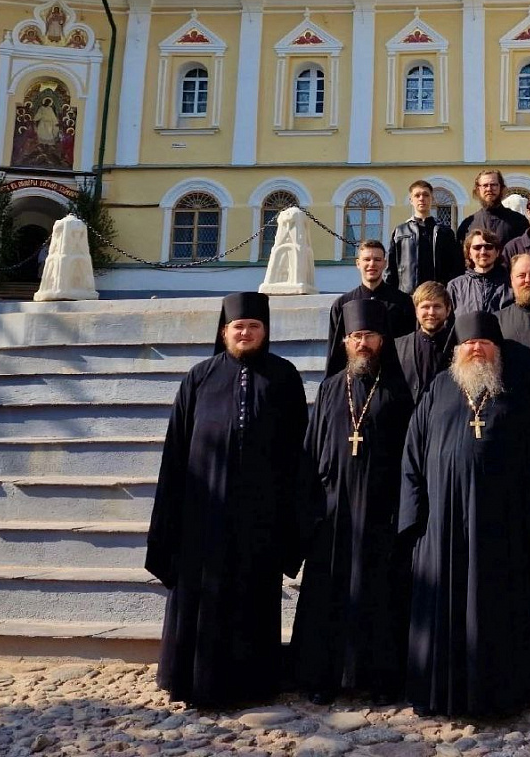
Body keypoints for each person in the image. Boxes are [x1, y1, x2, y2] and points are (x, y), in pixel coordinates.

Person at [147, 292, 308, 707]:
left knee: (255, 595)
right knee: (201, 595)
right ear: (224, 331)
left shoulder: (285, 377)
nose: (246, 333)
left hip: (261, 514)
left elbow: (299, 450)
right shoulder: (199, 377)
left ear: (265, 332)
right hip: (203, 512)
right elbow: (176, 450)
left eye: (254, 327)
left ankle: (254, 684)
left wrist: (293, 515)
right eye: (239, 327)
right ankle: (192, 681)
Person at [399, 311, 530, 716]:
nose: (477, 348)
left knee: (497, 601)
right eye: (469, 343)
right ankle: (440, 691)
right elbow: (412, 454)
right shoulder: (437, 389)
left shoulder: (513, 394)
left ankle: (500, 692)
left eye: (485, 343)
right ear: (458, 350)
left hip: (499, 523)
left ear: (496, 350)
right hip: (443, 524)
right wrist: (414, 517)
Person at [292, 301, 415, 704]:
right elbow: (311, 450)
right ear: (345, 341)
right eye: (356, 336)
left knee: (378, 592)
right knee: (328, 592)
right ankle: (321, 678)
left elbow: (409, 455)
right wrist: (310, 508)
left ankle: (377, 679)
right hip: (333, 510)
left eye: (370, 336)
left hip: (380, 509)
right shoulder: (330, 388)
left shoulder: (398, 392)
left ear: (383, 341)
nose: (363, 343)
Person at [326, 241, 415, 376]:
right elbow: (335, 352)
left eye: (377, 260)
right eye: (367, 259)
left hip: (393, 378)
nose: (372, 264)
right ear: (358, 263)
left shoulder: (403, 302)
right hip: (355, 379)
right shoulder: (342, 305)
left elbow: (409, 347)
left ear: (384, 264)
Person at [385, 180, 461, 294]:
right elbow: (391, 267)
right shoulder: (400, 231)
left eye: (426, 195)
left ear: (432, 199)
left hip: (438, 295)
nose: (421, 198)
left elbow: (455, 267)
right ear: (411, 200)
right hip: (408, 295)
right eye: (417, 195)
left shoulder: (445, 232)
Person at [395, 281, 455, 404]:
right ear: (416, 311)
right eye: (425, 307)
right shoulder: (398, 346)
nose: (431, 313)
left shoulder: (458, 345)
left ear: (448, 310)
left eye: (437, 306)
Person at [456, 168, 528, 248]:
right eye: (485, 185)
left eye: (493, 185)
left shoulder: (519, 221)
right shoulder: (467, 225)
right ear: (478, 189)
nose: (489, 189)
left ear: (501, 188)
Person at [447, 228, 512, 315]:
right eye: (477, 247)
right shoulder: (455, 287)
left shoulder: (510, 285)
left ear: (497, 252)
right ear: (469, 254)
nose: (483, 252)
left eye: (488, 247)